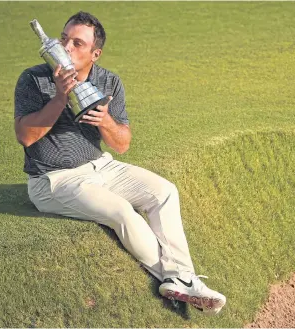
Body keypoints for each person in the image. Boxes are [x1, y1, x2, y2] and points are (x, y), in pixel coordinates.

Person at [14, 11, 226, 315]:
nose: (68, 47)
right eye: (64, 39)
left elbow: (122, 143)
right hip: (54, 180)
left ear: (94, 53)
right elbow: (25, 136)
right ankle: (181, 281)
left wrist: (106, 121)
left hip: (102, 166)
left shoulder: (108, 81)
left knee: (165, 191)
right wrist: (60, 97)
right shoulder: (34, 79)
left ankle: (180, 277)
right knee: (122, 212)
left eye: (77, 43)